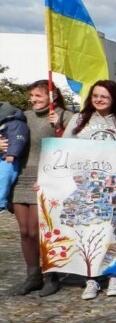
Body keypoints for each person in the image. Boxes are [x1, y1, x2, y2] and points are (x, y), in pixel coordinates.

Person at [66, 80, 116, 300]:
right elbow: (62, 150)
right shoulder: (78, 120)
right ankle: (92, 278)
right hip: (87, 187)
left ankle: (115, 275)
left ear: (114, 98)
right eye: (96, 95)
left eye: (104, 96)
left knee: (114, 230)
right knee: (90, 231)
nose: (99, 100)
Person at [8, 82, 72, 297]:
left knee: (41, 231)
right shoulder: (22, 116)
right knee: (25, 231)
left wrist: (60, 129)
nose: (33, 100)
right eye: (31, 96)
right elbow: (8, 136)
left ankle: (50, 275)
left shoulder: (64, 116)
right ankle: (33, 276)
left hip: (46, 179)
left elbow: (74, 147)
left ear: (52, 97)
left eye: (38, 95)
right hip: (21, 177)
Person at [0, 99, 29, 210]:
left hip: (8, 159)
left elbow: (17, 140)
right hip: (3, 157)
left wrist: (12, 153)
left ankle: (1, 201)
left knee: (4, 178)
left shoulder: (16, 124)